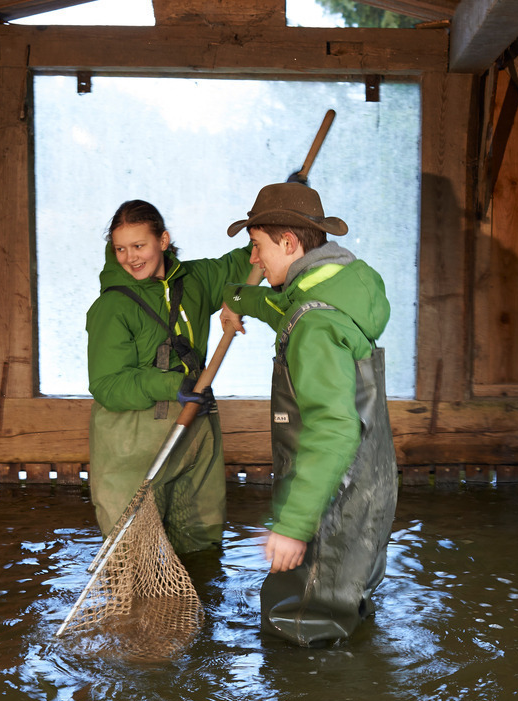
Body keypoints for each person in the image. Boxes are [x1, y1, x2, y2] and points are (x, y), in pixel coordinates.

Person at [221, 182, 398, 647]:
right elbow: (289, 311)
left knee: (303, 637)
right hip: (363, 495)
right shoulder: (337, 296)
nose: (254, 260)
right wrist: (240, 299)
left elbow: (336, 427)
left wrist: (294, 526)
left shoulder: (316, 326)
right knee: (346, 615)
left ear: (289, 244)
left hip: (330, 504)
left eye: (257, 247)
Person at [86, 200, 252, 552]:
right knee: (131, 556)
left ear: (163, 240)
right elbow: (107, 385)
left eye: (139, 246)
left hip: (195, 429)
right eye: (120, 248)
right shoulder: (111, 306)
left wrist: (277, 214)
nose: (130, 257)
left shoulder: (195, 280)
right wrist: (173, 384)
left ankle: (198, 606)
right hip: (132, 447)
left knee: (201, 547)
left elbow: (252, 258)